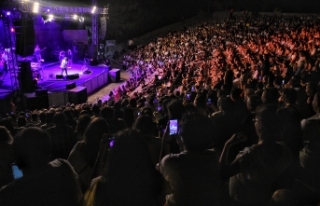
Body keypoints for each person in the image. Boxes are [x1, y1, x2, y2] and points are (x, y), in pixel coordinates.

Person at [0, 127, 84, 205]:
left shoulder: (7, 193)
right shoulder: (63, 166)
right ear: (48, 151)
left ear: (16, 156)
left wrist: (17, 179)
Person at [158, 113, 220, 206]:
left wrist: (165, 141)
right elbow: (189, 156)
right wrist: (181, 142)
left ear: (182, 136)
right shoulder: (213, 156)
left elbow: (161, 168)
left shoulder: (171, 161)